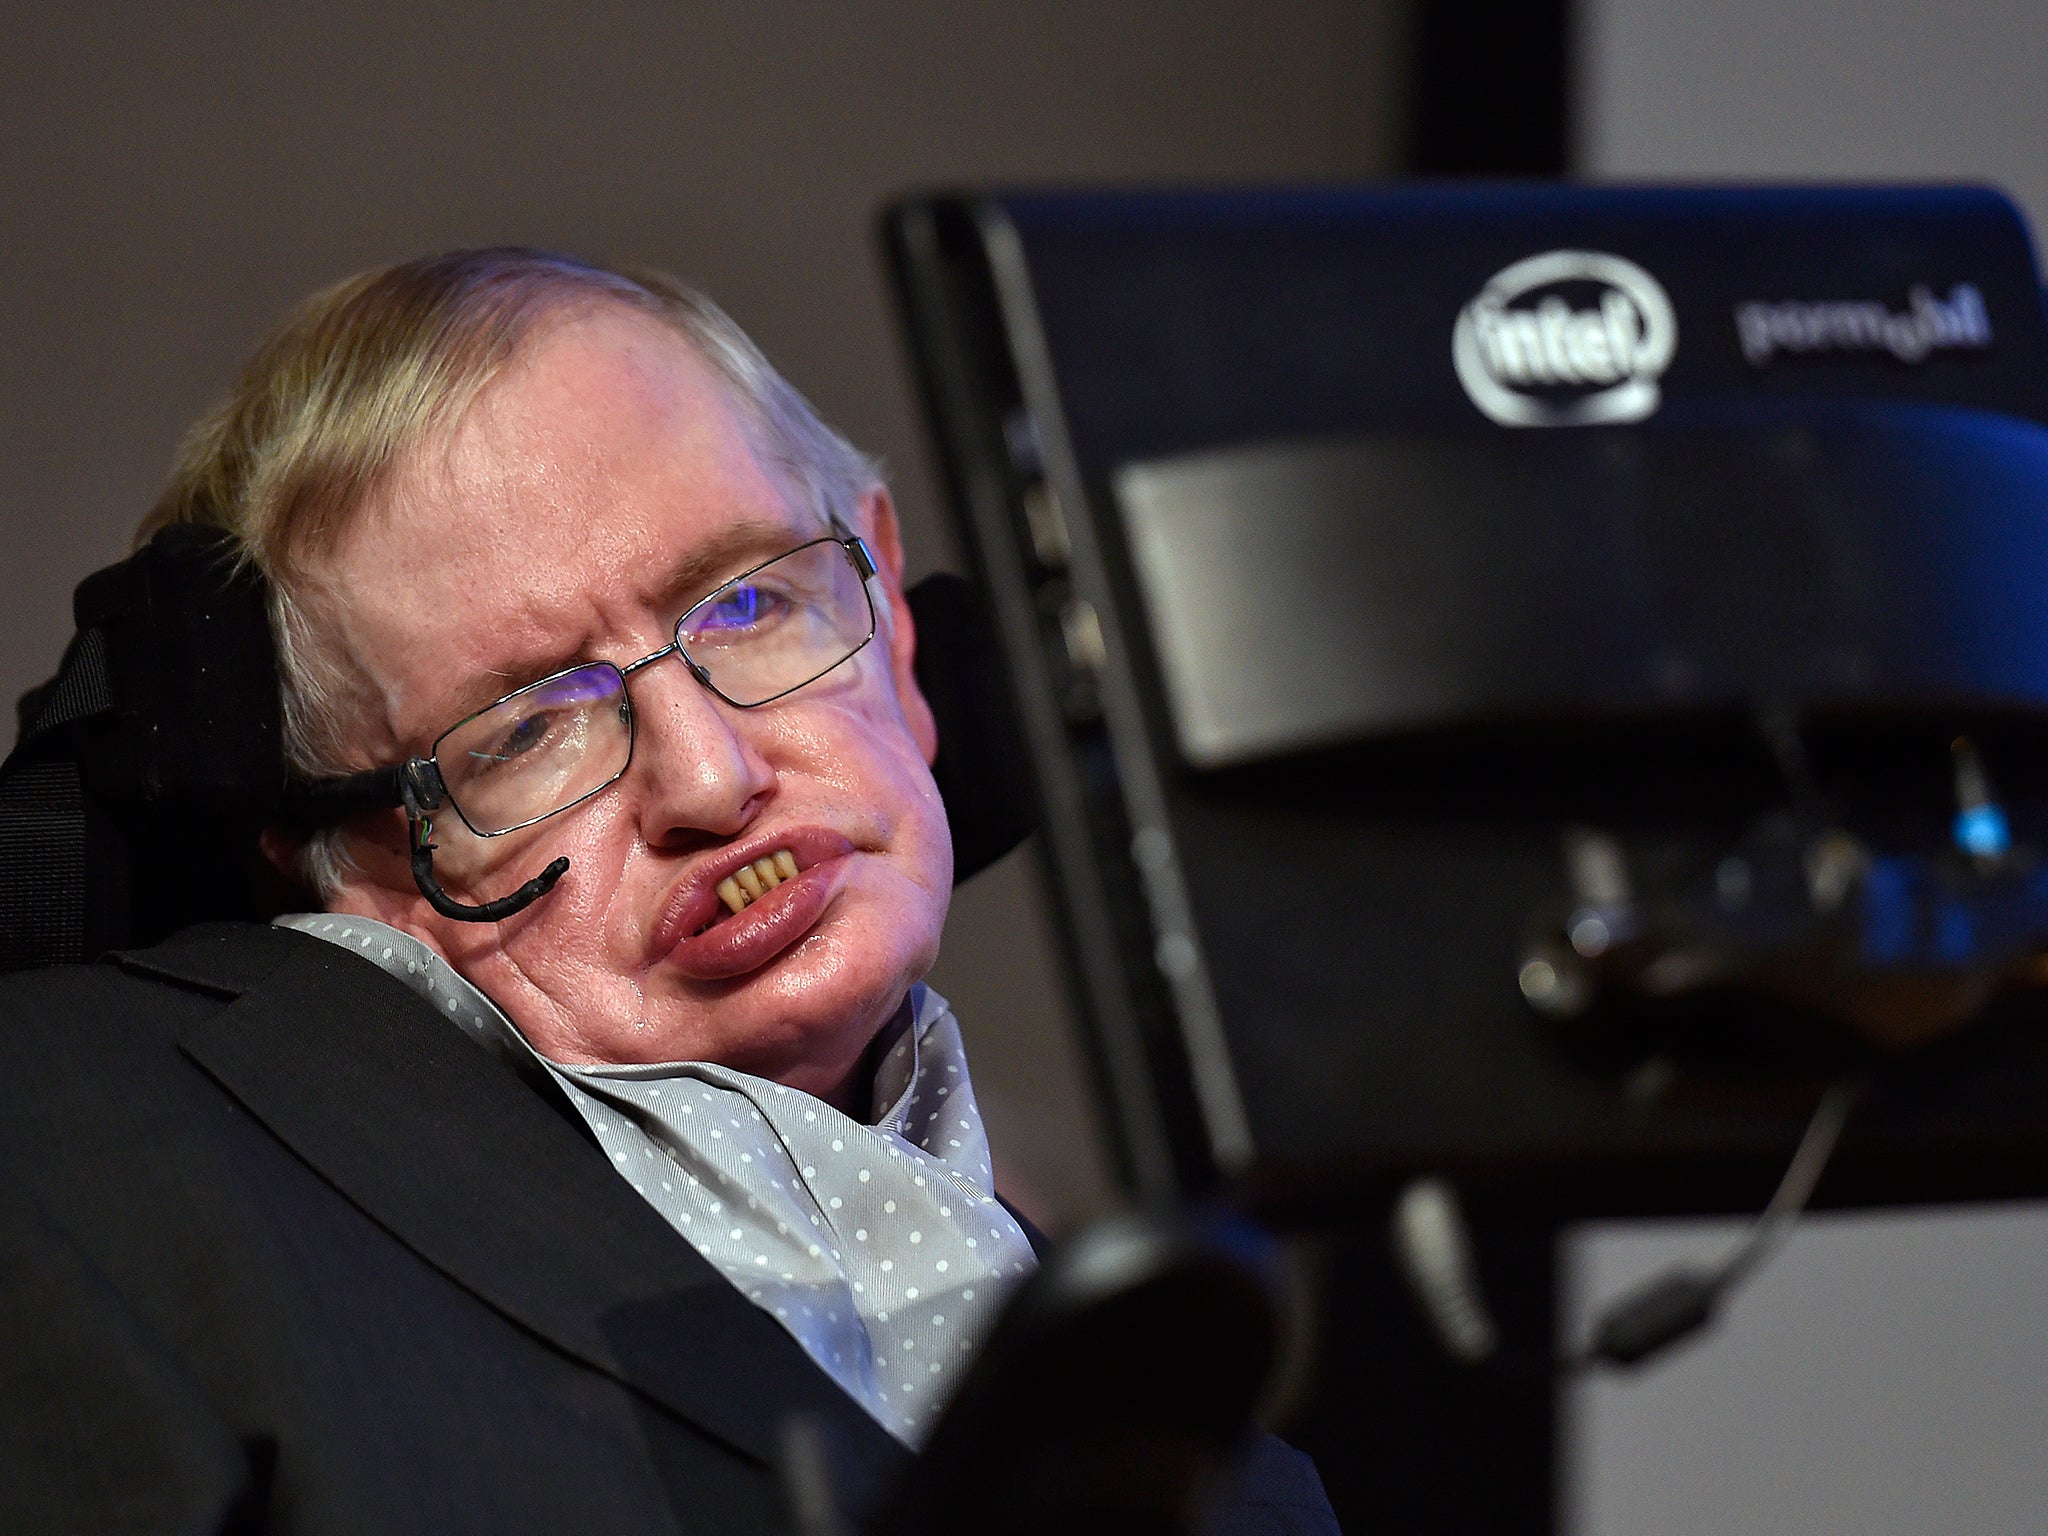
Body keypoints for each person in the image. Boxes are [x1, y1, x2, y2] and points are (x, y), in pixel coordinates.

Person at [0, 249, 1336, 1532]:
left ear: (898, 614)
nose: (708, 776)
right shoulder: (80, 1160)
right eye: (529, 725)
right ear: (342, 859)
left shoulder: (1226, 1479)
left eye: (751, 605)